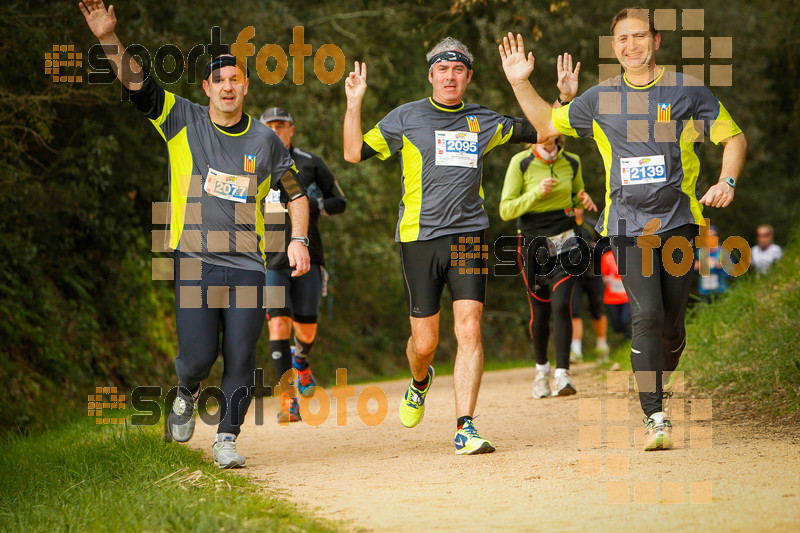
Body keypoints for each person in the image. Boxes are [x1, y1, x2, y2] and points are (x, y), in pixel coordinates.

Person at [500, 6, 747, 451]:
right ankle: (655, 415)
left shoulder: (686, 90)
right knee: (646, 315)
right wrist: (520, 81)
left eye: (638, 37)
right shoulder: (599, 100)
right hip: (627, 225)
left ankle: (658, 369)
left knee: (671, 326)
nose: (630, 45)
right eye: (622, 39)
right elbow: (543, 126)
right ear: (614, 48)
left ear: (655, 41)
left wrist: (726, 179)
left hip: (680, 222)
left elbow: (734, 137)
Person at [79, 0, 311, 468]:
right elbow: (137, 83)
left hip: (248, 265)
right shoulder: (182, 119)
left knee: (243, 356)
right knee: (200, 357)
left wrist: (298, 239)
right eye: (219, 80)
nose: (228, 87)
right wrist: (107, 39)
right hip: (195, 260)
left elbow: (296, 194)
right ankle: (185, 391)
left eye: (236, 80)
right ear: (206, 87)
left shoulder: (266, 142)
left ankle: (227, 437)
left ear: (245, 86)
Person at [343, 37, 537, 454]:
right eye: (443, 70)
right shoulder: (406, 117)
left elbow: (542, 128)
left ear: (468, 76)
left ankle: (465, 425)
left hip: (468, 235)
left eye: (459, 70)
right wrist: (355, 102)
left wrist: (555, 96)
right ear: (431, 75)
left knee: (469, 327)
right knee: (425, 344)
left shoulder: (483, 120)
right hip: (419, 238)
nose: (450, 76)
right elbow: (354, 152)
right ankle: (419, 380)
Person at [260, 107, 347, 423]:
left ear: (291, 129)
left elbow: (340, 201)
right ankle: (287, 398)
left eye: (281, 125)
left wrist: (311, 204)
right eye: (269, 126)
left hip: (309, 257)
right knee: (278, 324)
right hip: (269, 260)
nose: (275, 130)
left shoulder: (310, 163)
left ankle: (302, 359)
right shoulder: (251, 163)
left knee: (306, 330)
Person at [499, 130, 596, 399]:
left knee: (563, 304)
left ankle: (562, 374)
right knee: (540, 313)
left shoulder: (572, 161)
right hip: (532, 246)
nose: (543, 134)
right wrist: (536, 194)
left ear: (556, 133)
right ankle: (541, 370)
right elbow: (505, 210)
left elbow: (575, 196)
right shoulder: (521, 162)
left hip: (565, 241)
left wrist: (582, 200)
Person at [570, 208, 610, 363]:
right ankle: (576, 351)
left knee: (597, 311)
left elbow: (607, 246)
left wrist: (591, 246)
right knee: (574, 312)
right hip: (573, 277)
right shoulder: (565, 226)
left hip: (594, 275)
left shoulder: (592, 225)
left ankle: (602, 347)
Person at [693, 226, 730, 301]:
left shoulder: (723, 253)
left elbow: (731, 273)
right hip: (704, 292)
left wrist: (719, 265)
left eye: (713, 236)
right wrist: (699, 265)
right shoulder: (700, 252)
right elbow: (693, 269)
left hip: (721, 292)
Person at [601, 250, 631, 338]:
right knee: (616, 325)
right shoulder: (607, 257)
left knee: (626, 321)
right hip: (611, 297)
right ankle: (623, 342)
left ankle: (628, 341)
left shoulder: (629, 255)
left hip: (626, 296)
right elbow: (603, 276)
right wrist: (606, 279)